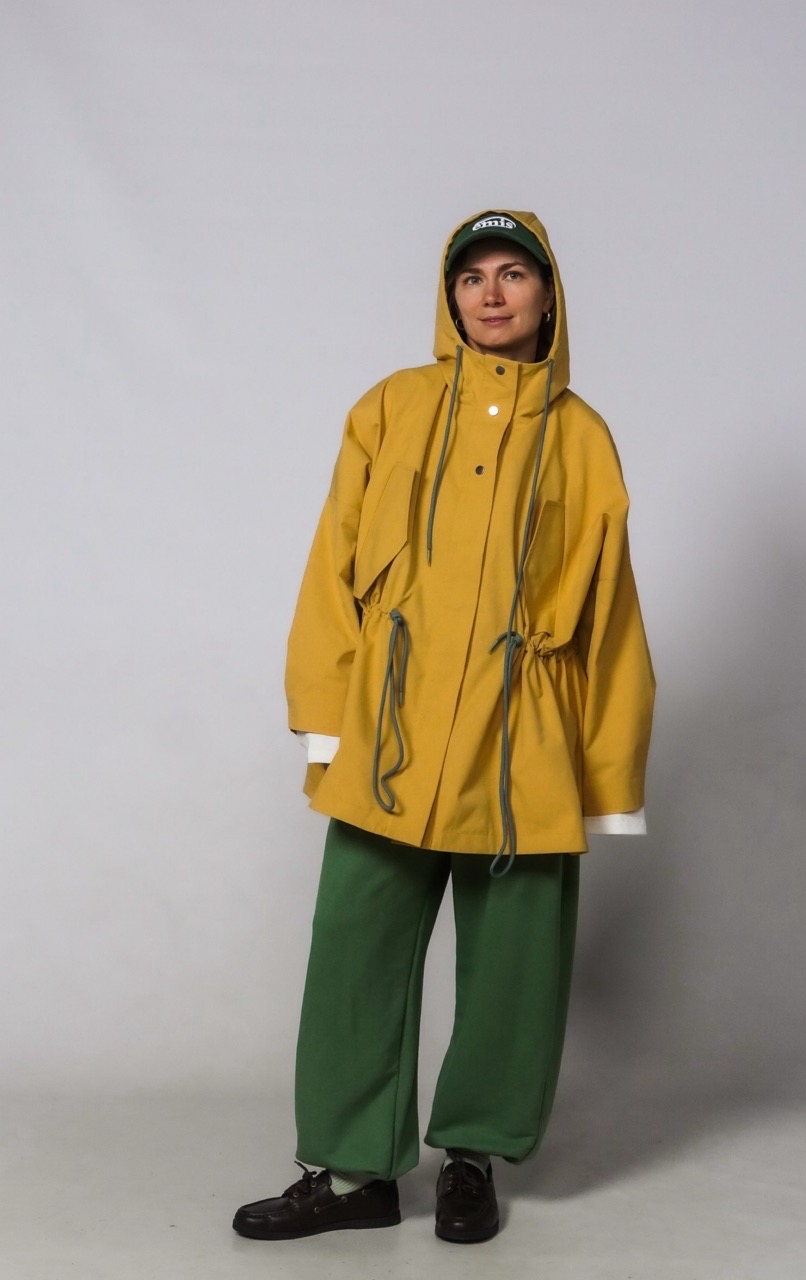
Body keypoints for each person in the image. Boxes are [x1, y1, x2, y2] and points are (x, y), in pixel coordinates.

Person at [232, 208, 656, 1245]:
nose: (492, 294)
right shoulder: (391, 408)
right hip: (393, 734)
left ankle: (473, 1157)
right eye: (472, 277)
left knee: (514, 966)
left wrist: (608, 774)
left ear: (549, 297)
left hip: (525, 743)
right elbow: (332, 569)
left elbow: (610, 617)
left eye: (514, 274)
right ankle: (350, 1173)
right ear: (449, 295)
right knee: (355, 950)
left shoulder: (582, 437)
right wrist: (326, 721)